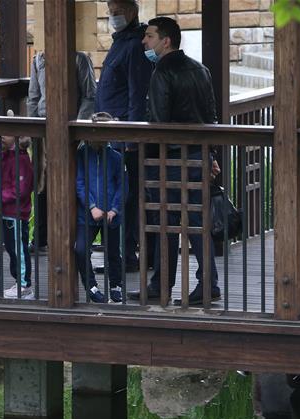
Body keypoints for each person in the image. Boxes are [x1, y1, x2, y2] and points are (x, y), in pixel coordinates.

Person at [128, 16, 219, 304]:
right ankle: (208, 283)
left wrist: (146, 160)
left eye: (150, 36)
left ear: (165, 41)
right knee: (197, 223)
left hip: (170, 159)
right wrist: (212, 155)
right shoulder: (201, 70)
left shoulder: (162, 73)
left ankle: (161, 284)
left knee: (164, 223)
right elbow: (211, 116)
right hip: (198, 155)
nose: (144, 41)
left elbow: (158, 122)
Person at [96, 0, 155, 272]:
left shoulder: (133, 46)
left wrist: (132, 135)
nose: (113, 16)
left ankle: (127, 255)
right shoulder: (120, 42)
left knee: (128, 198)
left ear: (131, 13)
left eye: (117, 12)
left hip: (124, 136)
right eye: (110, 12)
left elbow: (137, 93)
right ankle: (119, 255)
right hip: (112, 133)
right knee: (117, 195)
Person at [27, 49, 97, 254]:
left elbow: (89, 95)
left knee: (72, 181)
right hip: (44, 128)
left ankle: (74, 238)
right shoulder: (38, 59)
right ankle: (41, 237)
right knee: (43, 184)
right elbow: (33, 97)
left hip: (70, 129)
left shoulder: (80, 59)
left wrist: (77, 128)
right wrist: (33, 129)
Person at [74, 114, 125, 304]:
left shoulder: (116, 157)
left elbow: (122, 186)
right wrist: (92, 206)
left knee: (113, 252)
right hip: (87, 214)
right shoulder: (82, 154)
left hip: (111, 214)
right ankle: (91, 286)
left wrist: (114, 209)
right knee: (80, 249)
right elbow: (80, 183)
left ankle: (116, 285)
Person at [0, 113, 35, 300]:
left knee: (19, 250)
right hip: (8, 214)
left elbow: (20, 190)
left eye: (5, 133)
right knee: (13, 250)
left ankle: (24, 285)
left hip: (16, 215)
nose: (1, 136)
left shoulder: (21, 160)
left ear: (16, 136)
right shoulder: (8, 155)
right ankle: (20, 283)